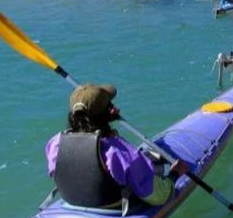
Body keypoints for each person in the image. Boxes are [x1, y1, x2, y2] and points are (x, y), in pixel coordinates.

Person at [45, 84, 189, 209]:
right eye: (111, 105)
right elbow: (159, 196)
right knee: (146, 170)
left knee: (139, 162)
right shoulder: (118, 151)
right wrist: (174, 175)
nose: (116, 108)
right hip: (112, 206)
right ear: (109, 112)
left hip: (72, 200)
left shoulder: (56, 143)